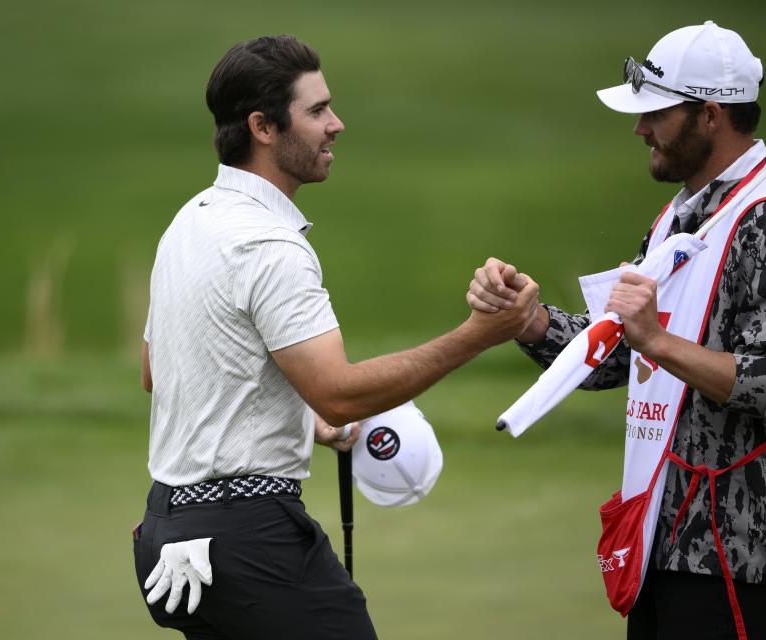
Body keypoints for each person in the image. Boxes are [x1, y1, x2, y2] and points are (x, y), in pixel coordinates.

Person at [133, 35, 538, 640]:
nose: (336, 125)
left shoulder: (189, 221)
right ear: (263, 127)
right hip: (250, 543)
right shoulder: (271, 246)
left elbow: (157, 372)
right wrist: (481, 334)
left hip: (166, 531)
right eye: (317, 111)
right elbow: (339, 395)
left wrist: (293, 420)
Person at [468, 21, 766, 640]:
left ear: (709, 116)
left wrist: (659, 342)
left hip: (733, 546)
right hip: (664, 531)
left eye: (658, 114)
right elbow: (625, 355)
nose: (640, 128)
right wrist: (529, 320)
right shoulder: (683, 214)